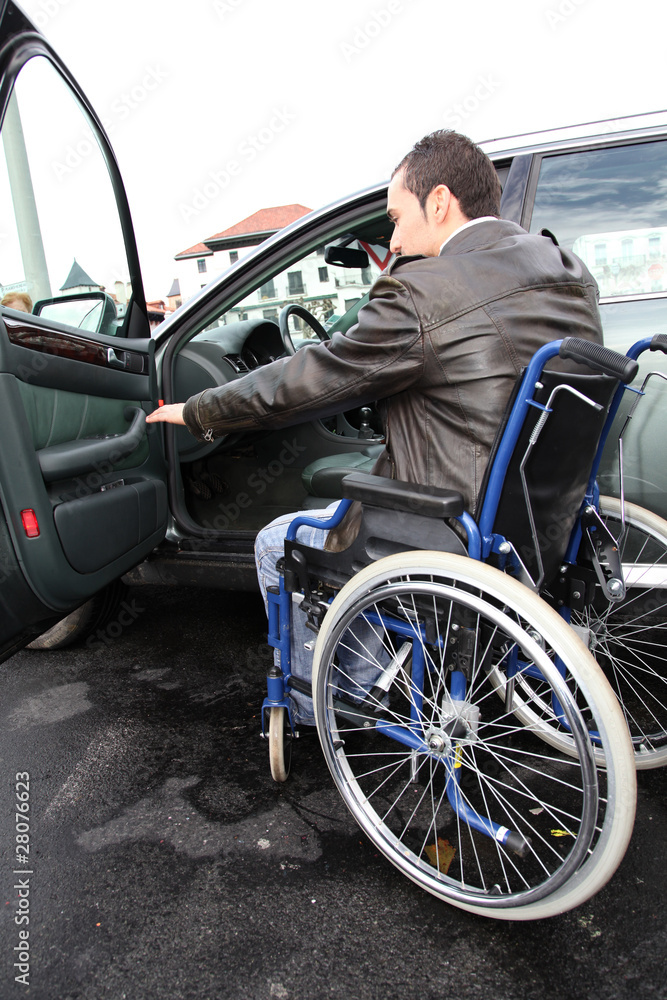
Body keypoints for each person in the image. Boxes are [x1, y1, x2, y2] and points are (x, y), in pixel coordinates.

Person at [147, 129, 603, 722]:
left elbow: (313, 377)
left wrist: (200, 409)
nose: (393, 237)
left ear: (438, 202)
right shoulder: (567, 271)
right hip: (542, 522)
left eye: (395, 217)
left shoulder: (427, 291)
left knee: (276, 540)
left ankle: (342, 701)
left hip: (451, 527)